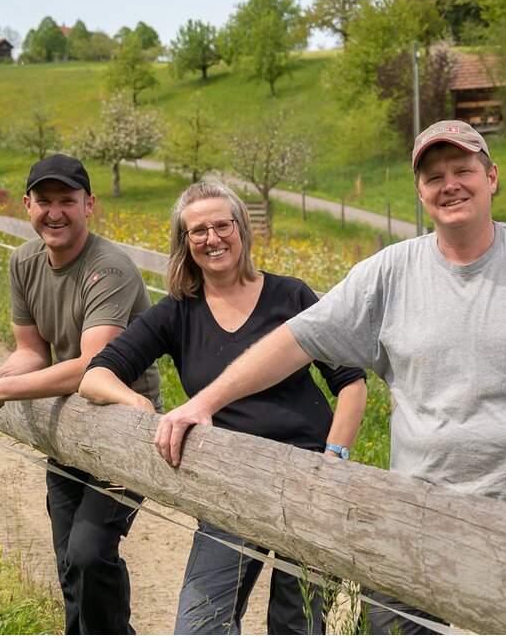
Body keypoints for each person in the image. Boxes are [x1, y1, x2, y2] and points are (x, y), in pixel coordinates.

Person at [153, 121, 506, 633]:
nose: (449, 184)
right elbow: (296, 340)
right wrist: (206, 401)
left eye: (462, 169)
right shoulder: (389, 273)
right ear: (420, 192)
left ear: (491, 177)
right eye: (433, 176)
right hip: (418, 514)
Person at [80, 181, 367, 635]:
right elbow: (94, 375)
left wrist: (335, 459)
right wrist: (136, 402)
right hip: (228, 484)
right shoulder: (177, 312)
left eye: (221, 225)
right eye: (198, 231)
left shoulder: (291, 297)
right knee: (200, 626)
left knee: (298, 625)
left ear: (241, 228)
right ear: (184, 243)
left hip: (307, 479)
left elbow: (351, 382)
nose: (212, 238)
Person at [0, 153, 160, 635]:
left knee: (90, 554)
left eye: (67, 201)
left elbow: (92, 367)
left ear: (89, 205)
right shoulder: (24, 262)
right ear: (27, 205)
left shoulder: (110, 269)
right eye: (44, 201)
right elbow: (31, 351)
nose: (55, 212)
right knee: (69, 562)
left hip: (122, 428)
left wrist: (4, 389)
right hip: (69, 429)